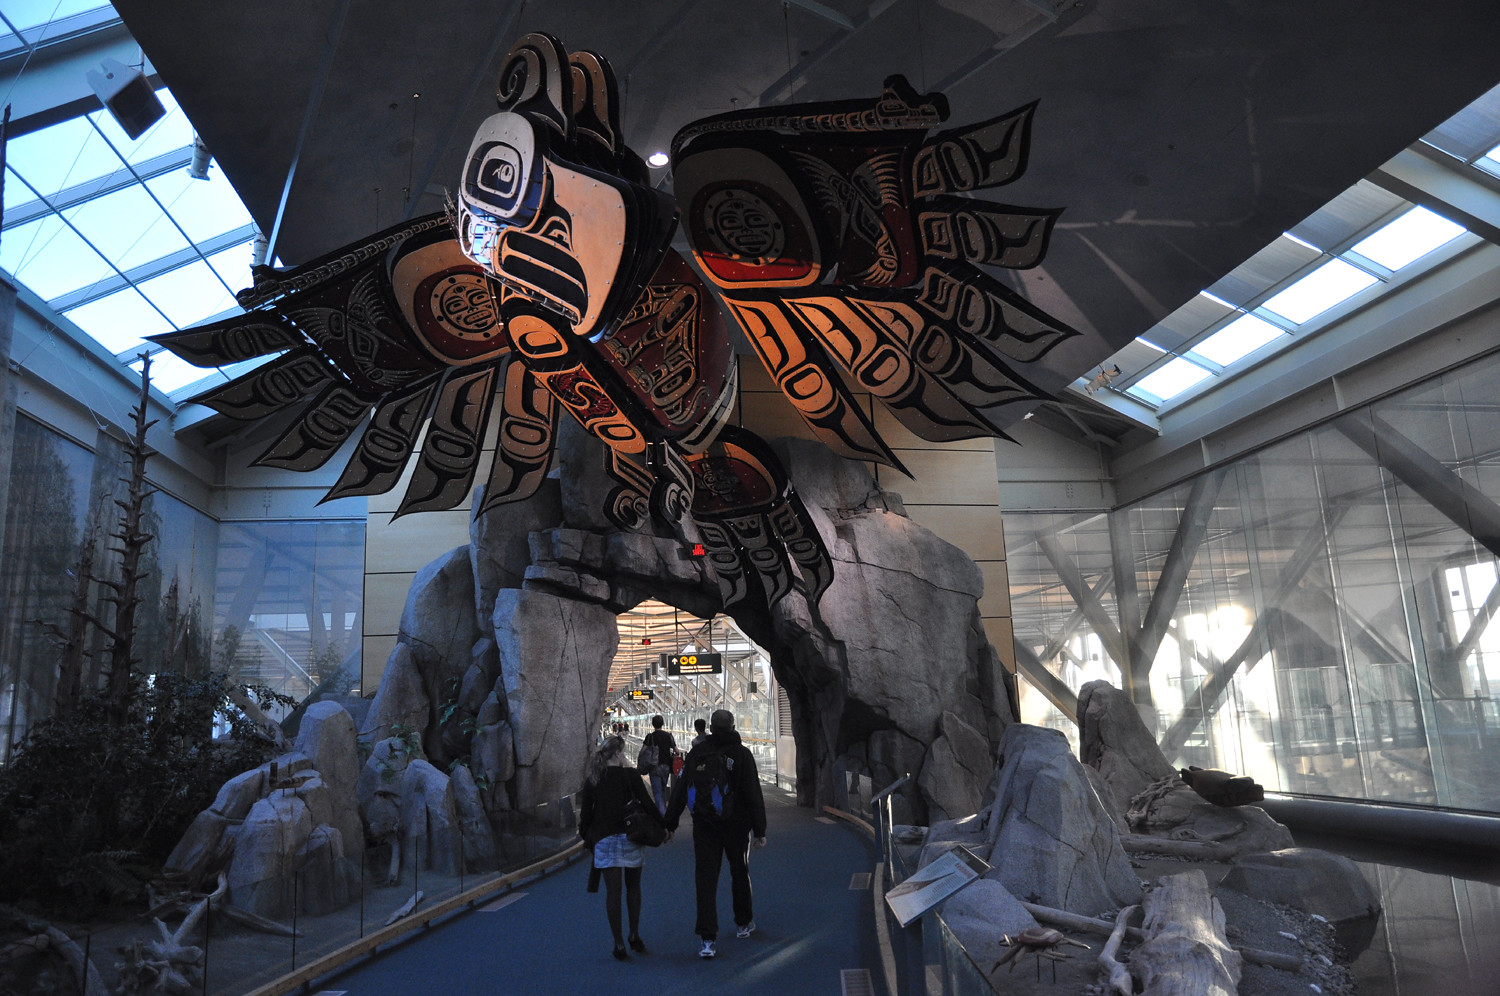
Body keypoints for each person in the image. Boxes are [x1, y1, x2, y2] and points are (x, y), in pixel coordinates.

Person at [664, 708, 767, 959]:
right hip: (736, 825)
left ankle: (707, 940)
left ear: (711, 727)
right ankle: (743, 923)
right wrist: (759, 830)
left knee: (706, 879)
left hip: (705, 825)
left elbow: (680, 789)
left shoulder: (698, 753)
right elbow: (753, 792)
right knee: (739, 871)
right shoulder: (741, 754)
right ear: (733, 727)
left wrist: (670, 823)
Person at [577, 734, 668, 960]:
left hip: (605, 839)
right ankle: (634, 935)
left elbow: (586, 815)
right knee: (633, 888)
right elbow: (647, 804)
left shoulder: (594, 779)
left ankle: (618, 944)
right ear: (618, 753)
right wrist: (664, 826)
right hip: (632, 836)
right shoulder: (630, 775)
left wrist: (587, 837)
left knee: (613, 893)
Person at [641, 714, 677, 814]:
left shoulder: (650, 737)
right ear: (662, 724)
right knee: (662, 789)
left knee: (657, 792)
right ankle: (662, 811)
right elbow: (677, 751)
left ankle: (663, 816)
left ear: (653, 724)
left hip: (654, 767)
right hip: (666, 766)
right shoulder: (668, 736)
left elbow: (642, 751)